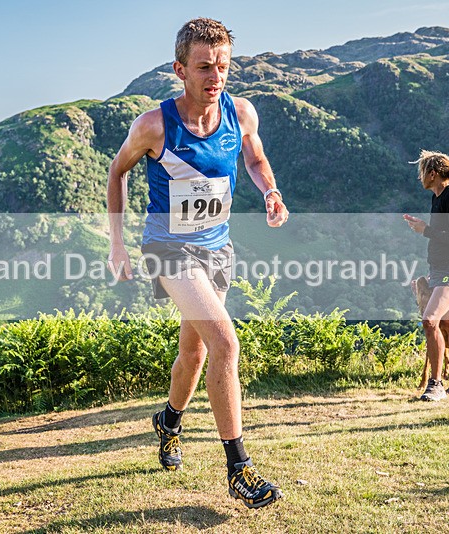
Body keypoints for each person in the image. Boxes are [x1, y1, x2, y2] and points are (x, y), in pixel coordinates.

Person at [106, 18, 288, 508]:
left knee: (195, 354)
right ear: (180, 69)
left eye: (223, 66)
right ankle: (239, 468)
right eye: (204, 67)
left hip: (217, 249)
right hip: (168, 249)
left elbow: (254, 160)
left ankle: (168, 421)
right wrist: (117, 244)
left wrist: (270, 191)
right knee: (226, 342)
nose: (215, 77)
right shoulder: (153, 126)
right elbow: (117, 171)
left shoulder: (241, 112)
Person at [404, 151, 449, 401]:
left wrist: (425, 230)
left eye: (422, 172)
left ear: (433, 173)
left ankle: (435, 384)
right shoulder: (438, 197)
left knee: (430, 320)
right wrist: (424, 229)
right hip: (439, 269)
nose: (420, 178)